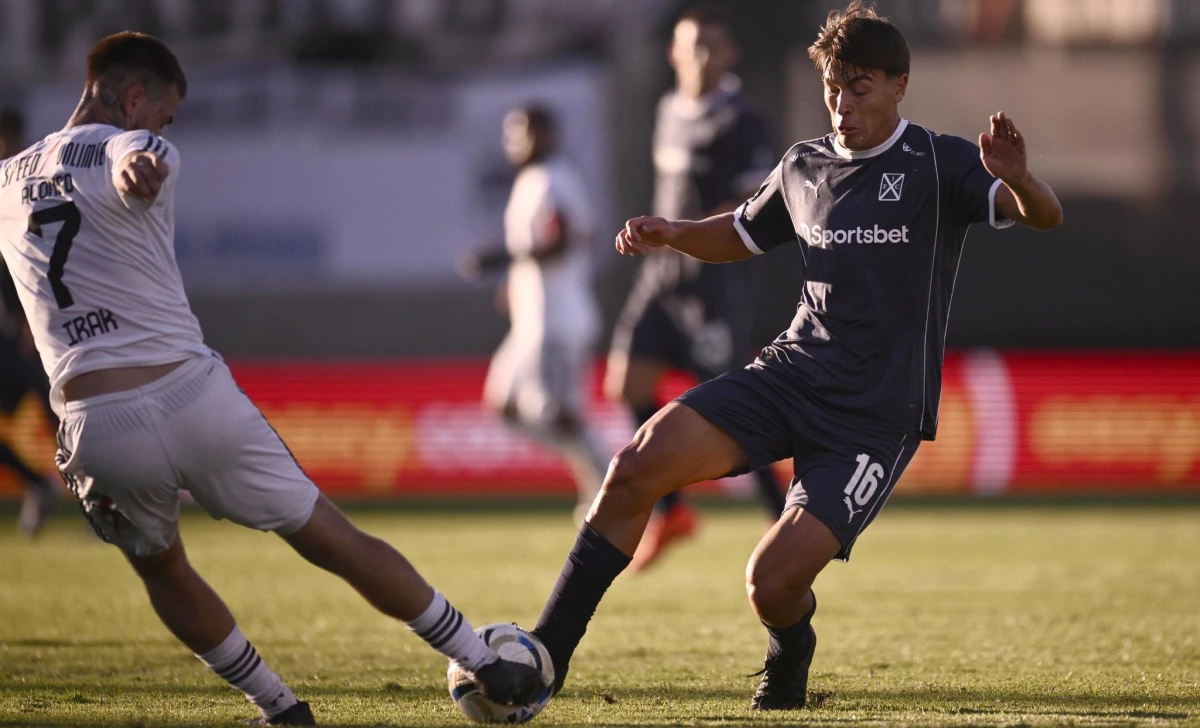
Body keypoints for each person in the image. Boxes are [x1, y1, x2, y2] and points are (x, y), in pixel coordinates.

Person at [529, 0, 1062, 710]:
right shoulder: (804, 165)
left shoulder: (940, 163)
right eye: (833, 89)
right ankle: (543, 655)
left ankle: (791, 652)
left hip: (873, 418)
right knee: (634, 467)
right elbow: (741, 233)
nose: (842, 105)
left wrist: (1021, 179)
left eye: (859, 88)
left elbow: (1044, 215)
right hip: (789, 376)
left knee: (770, 583)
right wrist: (676, 232)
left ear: (899, 85)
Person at [0, 32, 542, 726]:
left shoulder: (8, 178)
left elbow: (110, 159)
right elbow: (127, 153)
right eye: (164, 115)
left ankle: (279, 708)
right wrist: (137, 160)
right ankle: (485, 660)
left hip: (98, 423)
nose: (164, 131)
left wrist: (130, 160)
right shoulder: (136, 146)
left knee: (163, 570)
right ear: (134, 100)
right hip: (191, 395)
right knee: (330, 536)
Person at [605, 6, 787, 571]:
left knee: (732, 410)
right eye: (692, 45)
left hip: (714, 281)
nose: (702, 56)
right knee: (627, 382)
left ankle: (783, 518)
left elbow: (751, 205)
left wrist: (683, 232)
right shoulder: (668, 109)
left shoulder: (742, 119)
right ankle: (674, 512)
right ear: (673, 53)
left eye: (712, 46)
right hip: (661, 278)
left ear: (730, 55)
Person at [460, 107, 608, 523]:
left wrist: (504, 258)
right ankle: (602, 480)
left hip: (557, 320)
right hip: (531, 322)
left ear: (544, 133)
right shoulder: (531, 180)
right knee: (505, 405)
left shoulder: (554, 177)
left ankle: (609, 490)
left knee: (560, 415)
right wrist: (516, 279)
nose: (512, 142)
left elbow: (562, 239)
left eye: (520, 133)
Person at [0, 108, 61, 537]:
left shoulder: (33, 188)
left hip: (43, 328)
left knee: (68, 421)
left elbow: (47, 259)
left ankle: (108, 501)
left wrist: (30, 318)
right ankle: (38, 485)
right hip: (10, 337)